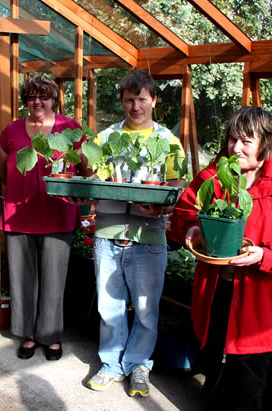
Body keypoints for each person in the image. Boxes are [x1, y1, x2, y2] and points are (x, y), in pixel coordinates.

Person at [169, 107, 272, 410]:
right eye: (231, 139)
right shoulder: (215, 175)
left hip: (261, 300)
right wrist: (192, 227)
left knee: (250, 380)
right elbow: (186, 209)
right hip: (216, 293)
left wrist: (265, 255)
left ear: (266, 143)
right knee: (214, 368)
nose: (235, 148)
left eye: (245, 141)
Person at [85, 69, 185, 397]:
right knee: (109, 305)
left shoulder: (168, 141)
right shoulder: (106, 137)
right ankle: (111, 364)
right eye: (129, 100)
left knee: (146, 307)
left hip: (149, 235)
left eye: (142, 99)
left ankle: (139, 363)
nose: (135, 107)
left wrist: (162, 206)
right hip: (109, 232)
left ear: (154, 101)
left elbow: (176, 186)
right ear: (123, 103)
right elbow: (93, 178)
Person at [0, 74, 90, 361]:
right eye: (31, 96)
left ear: (54, 98)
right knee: (22, 279)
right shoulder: (11, 132)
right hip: (19, 215)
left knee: (53, 279)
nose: (37, 101)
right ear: (25, 100)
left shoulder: (70, 129)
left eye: (44, 95)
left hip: (57, 214)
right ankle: (27, 334)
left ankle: (50, 336)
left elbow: (85, 171)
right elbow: (3, 174)